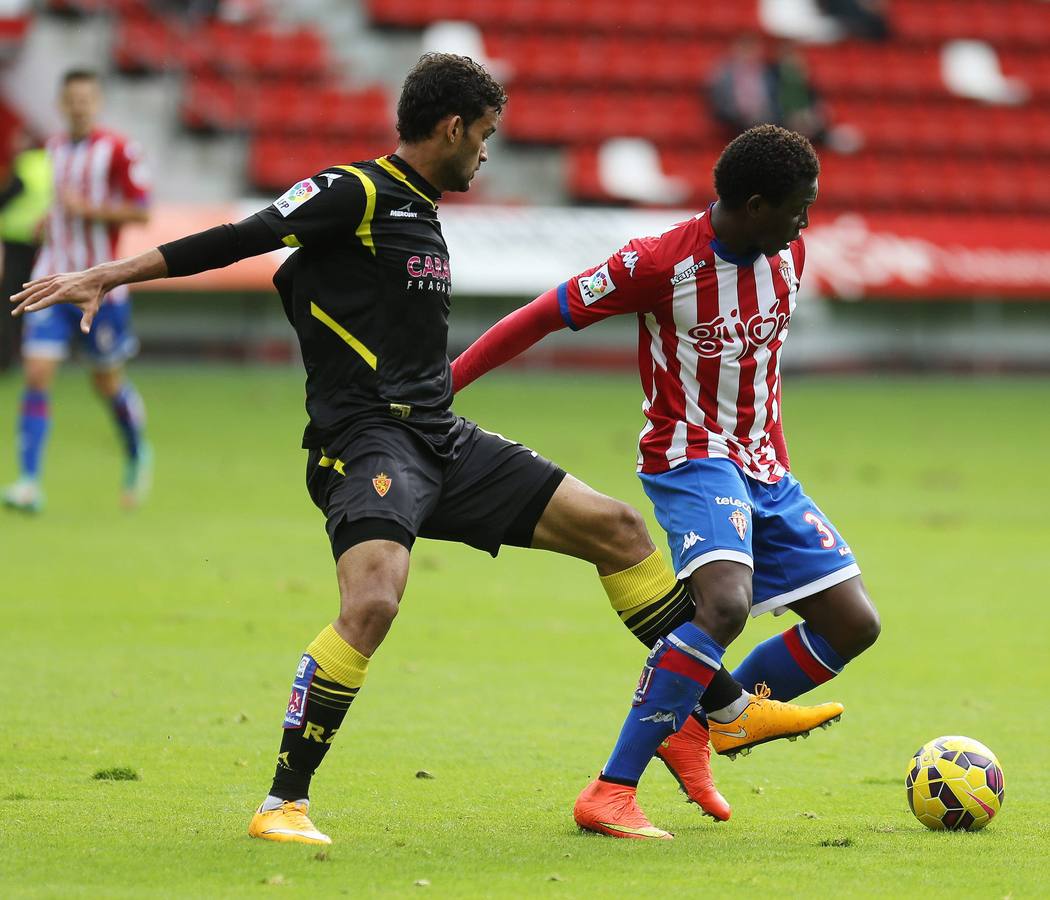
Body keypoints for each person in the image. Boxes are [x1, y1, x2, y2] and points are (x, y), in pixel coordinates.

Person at [11, 57, 841, 845]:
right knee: (373, 601)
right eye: (483, 135)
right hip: (365, 437)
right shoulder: (355, 190)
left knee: (617, 530)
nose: (486, 153)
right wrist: (111, 274)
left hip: (438, 434)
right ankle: (283, 802)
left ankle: (721, 712)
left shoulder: (423, 211)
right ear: (450, 129)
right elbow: (245, 234)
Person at [451, 124, 881, 839]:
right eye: (797, 207)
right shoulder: (659, 262)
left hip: (766, 467)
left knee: (853, 624)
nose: (807, 222)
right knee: (723, 605)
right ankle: (612, 790)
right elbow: (543, 314)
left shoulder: (788, 252)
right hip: (691, 456)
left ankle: (701, 718)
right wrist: (448, 383)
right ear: (751, 204)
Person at [3, 70, 151, 513]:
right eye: (72, 99)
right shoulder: (50, 149)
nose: (79, 106)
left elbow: (141, 214)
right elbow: (57, 204)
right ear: (61, 104)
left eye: (87, 98)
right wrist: (51, 223)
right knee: (36, 374)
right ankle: (28, 482)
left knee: (106, 382)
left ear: (98, 101)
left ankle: (136, 451)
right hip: (52, 278)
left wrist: (88, 211)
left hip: (101, 286)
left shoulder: (120, 151)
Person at [0, 130, 50, 372]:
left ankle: (5, 357)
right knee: (36, 297)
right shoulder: (50, 164)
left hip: (17, 241)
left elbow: (10, 194)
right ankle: (31, 352)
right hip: (42, 241)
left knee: (10, 299)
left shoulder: (26, 164)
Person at [707, 35, 777, 137]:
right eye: (745, 50)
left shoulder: (767, 73)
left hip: (763, 119)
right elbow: (719, 102)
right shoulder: (723, 74)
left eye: (752, 50)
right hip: (734, 122)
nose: (749, 55)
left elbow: (773, 99)